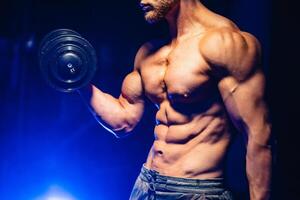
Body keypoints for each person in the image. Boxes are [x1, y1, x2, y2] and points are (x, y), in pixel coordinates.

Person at [79, 0, 272, 199]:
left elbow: (258, 135)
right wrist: (78, 82)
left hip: (196, 191)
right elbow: (123, 121)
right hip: (145, 186)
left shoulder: (225, 43)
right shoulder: (150, 52)